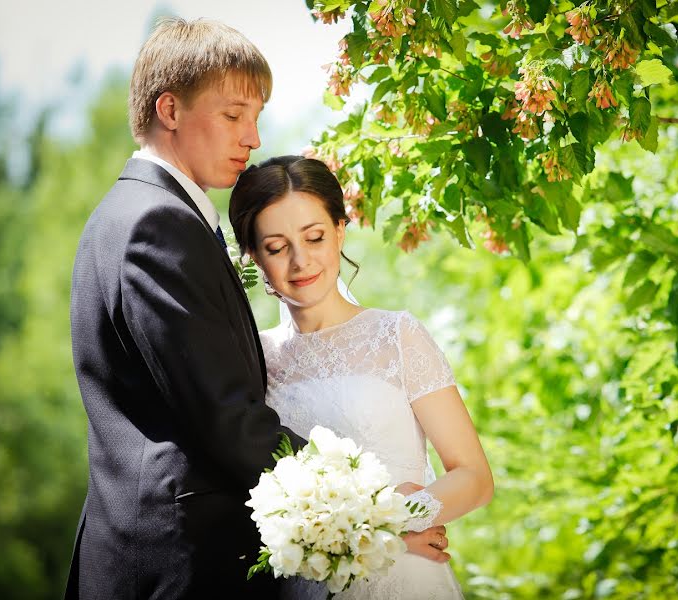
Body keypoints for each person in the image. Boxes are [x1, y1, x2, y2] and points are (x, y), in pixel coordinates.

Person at [66, 18, 309, 599]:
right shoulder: (156, 223)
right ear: (169, 110)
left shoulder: (133, 212)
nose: (253, 139)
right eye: (233, 115)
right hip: (178, 563)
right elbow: (226, 417)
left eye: (257, 118)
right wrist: (363, 497)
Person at [229, 155, 495, 599]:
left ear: (339, 230)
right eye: (276, 248)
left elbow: (474, 475)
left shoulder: (396, 335)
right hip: (306, 583)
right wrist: (376, 532)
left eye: (314, 237)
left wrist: (398, 521)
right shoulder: (255, 360)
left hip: (407, 580)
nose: (300, 261)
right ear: (254, 255)